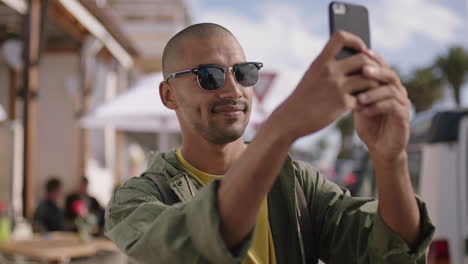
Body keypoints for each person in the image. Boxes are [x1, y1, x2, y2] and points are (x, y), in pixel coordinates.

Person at [105, 23, 435, 263]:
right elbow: (189, 248)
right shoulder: (137, 199)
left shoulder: (296, 182)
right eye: (209, 75)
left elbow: (390, 251)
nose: (233, 90)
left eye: (243, 73)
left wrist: (390, 158)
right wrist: (281, 129)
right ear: (169, 95)